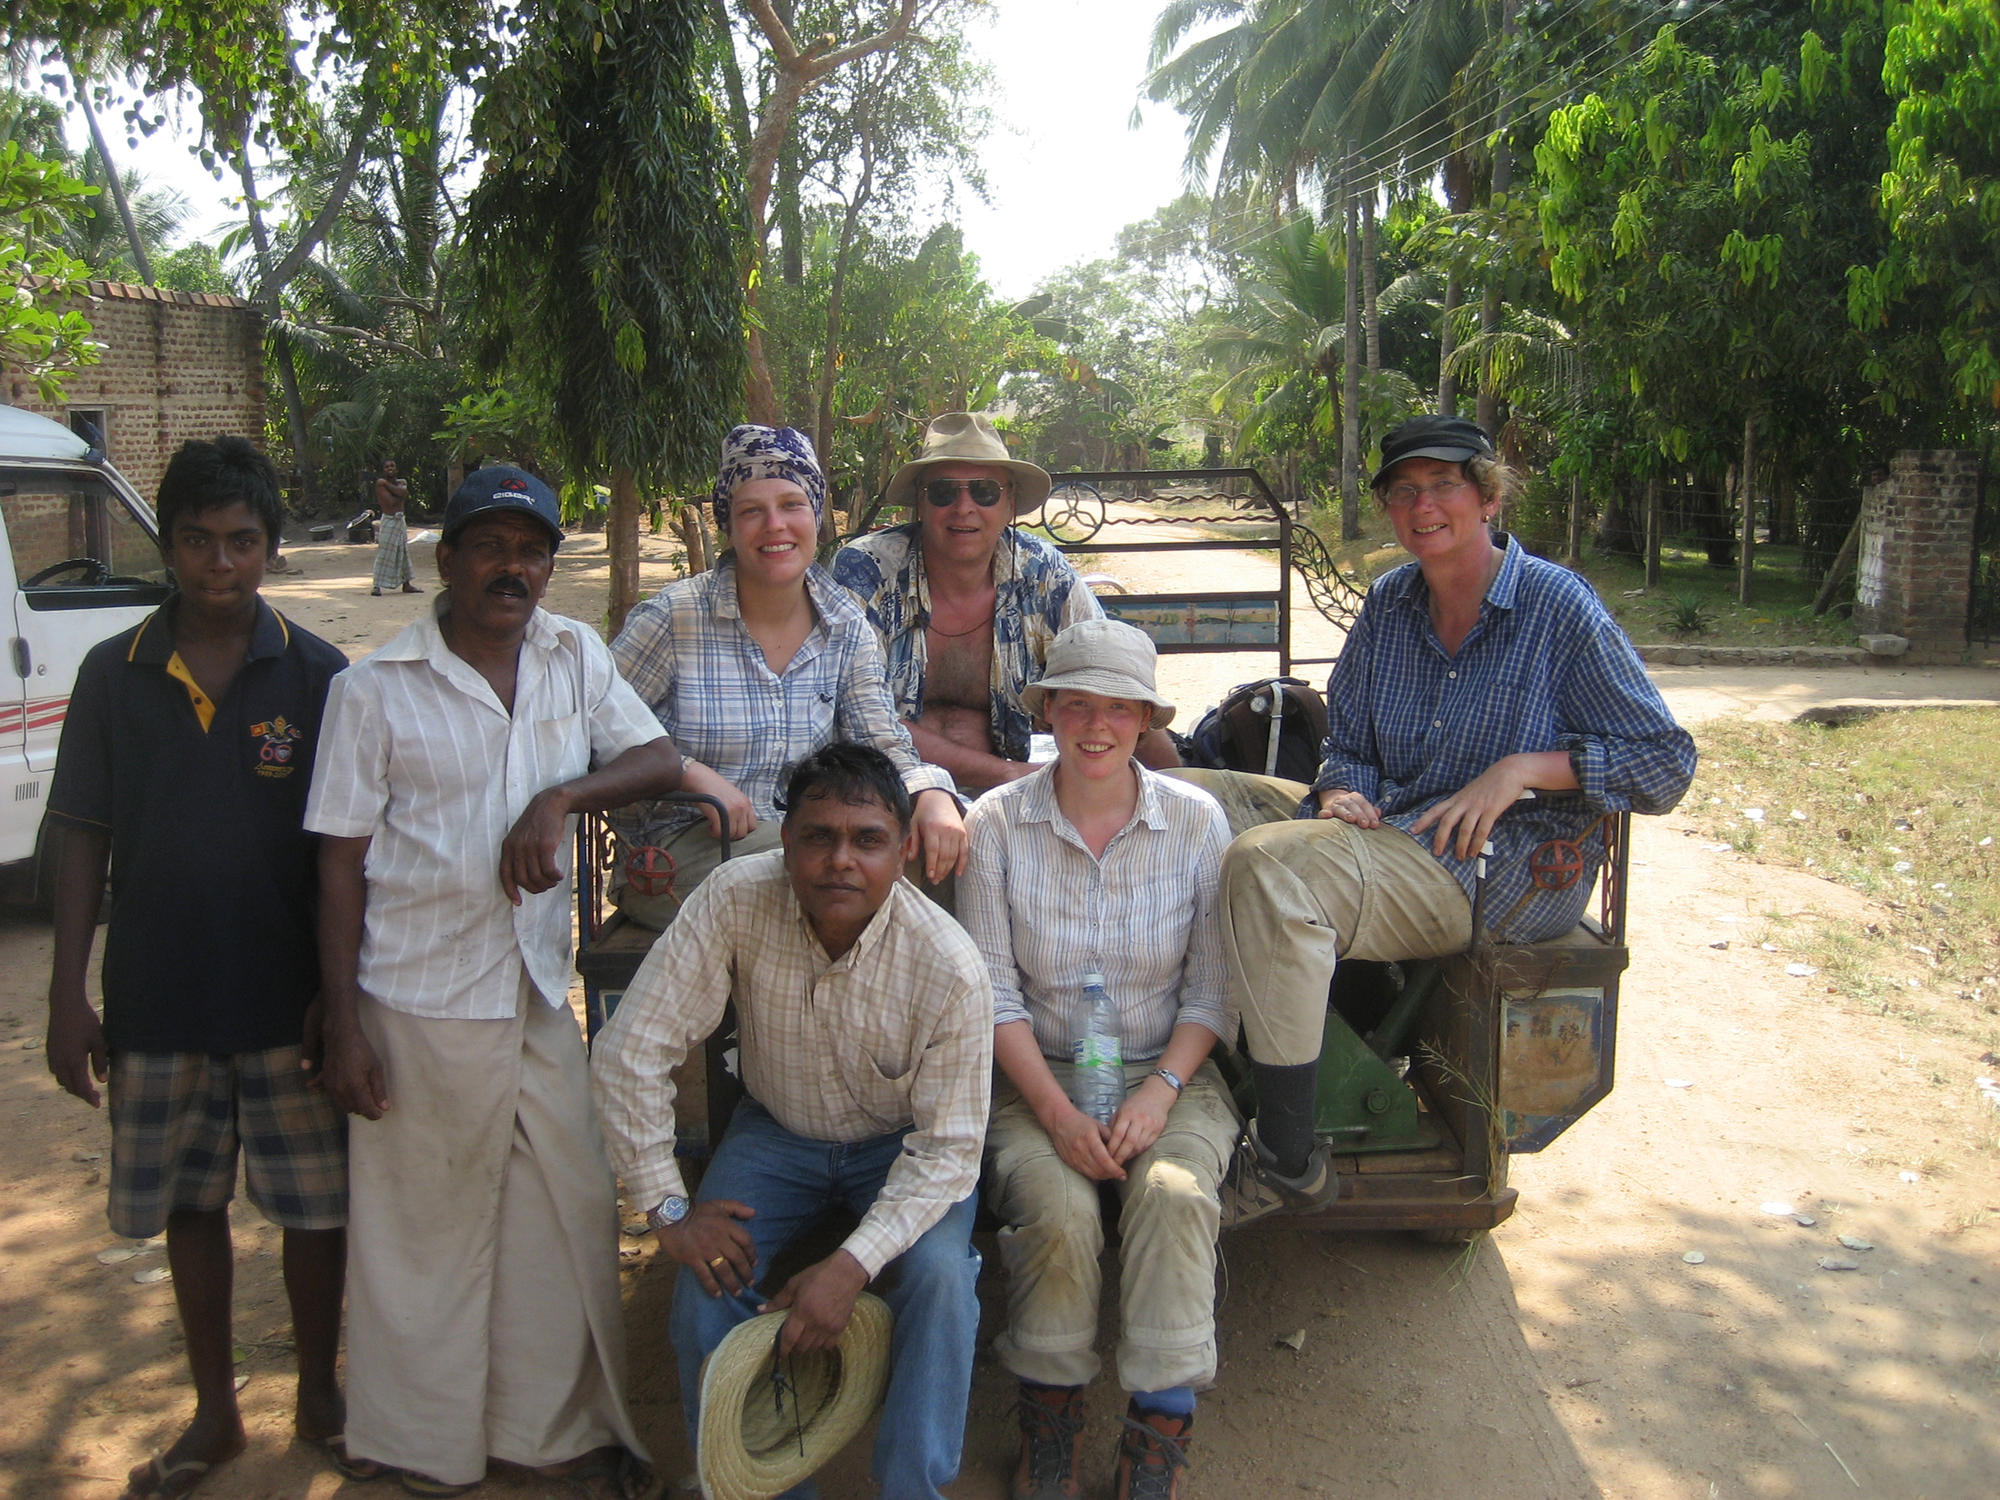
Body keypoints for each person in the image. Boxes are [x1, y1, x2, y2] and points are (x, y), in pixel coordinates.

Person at [1216, 416, 1697, 1223]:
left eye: (1443, 485)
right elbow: (1352, 741)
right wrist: (1339, 791)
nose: (1422, 505)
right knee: (1183, 801)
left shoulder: (1555, 607)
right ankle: (1191, 1049)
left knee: (1268, 866)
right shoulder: (1392, 600)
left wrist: (1522, 770)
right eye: (1404, 491)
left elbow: (1664, 763)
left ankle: (1286, 1155)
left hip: (1492, 865)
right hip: (1387, 832)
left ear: (1487, 495)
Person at [306, 465, 682, 1498]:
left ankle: (543, 1435)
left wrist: (559, 797)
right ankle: (418, 1448)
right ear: (446, 560)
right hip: (417, 998)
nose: (511, 569)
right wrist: (342, 1026)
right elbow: (336, 862)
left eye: (530, 552)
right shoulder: (373, 690)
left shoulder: (570, 654)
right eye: (490, 547)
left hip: (530, 987)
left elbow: (652, 757)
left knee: (561, 1210)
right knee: (422, 1236)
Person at [43, 436, 350, 1500]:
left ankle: (320, 1391)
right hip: (156, 998)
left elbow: (343, 857)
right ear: (167, 545)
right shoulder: (112, 674)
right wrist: (65, 993)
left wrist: (338, 999)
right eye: (197, 542)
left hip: (288, 1003)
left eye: (242, 542)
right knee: (191, 1206)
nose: (220, 564)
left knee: (316, 1209)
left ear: (270, 547)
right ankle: (216, 1410)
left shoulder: (317, 674)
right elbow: (80, 833)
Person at [593, 744, 992, 1500]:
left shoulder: (949, 965)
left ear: (905, 851)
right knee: (705, 1287)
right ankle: (760, 1485)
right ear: (785, 841)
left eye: (868, 840)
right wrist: (669, 1208)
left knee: (941, 1281)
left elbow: (946, 1152)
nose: (841, 861)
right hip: (778, 1134)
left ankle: (912, 1488)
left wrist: (849, 1267)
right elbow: (628, 1052)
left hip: (900, 1151)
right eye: (819, 837)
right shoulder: (732, 898)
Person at [961, 619, 1237, 1500]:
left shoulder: (1196, 821)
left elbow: (1213, 991)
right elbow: (993, 995)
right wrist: (1053, 1112)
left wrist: (1159, 1092)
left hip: (1171, 1067)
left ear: (1146, 720)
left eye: (1118, 708)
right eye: (1076, 703)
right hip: (1033, 1073)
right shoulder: (996, 824)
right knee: (1056, 1208)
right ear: (1046, 711)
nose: (1096, 726)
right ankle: (1052, 1428)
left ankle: (1157, 1432)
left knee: (1175, 1196)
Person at [608, 424, 963, 927]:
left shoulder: (844, 625)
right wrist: (685, 770)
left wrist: (930, 794)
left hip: (809, 837)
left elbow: (881, 740)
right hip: (675, 851)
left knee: (946, 851)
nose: (775, 525)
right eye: (752, 510)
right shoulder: (673, 619)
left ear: (816, 516)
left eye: (792, 505)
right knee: (823, 879)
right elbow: (596, 726)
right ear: (728, 527)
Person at [831, 410, 1179, 795]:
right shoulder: (870, 570)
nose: (964, 508)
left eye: (984, 492)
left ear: (1010, 504)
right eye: (944, 492)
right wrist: (1011, 775)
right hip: (888, 791)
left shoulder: (1043, 572)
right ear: (920, 503)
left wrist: (1180, 791)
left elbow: (1114, 681)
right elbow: (858, 716)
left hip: (1015, 795)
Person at [369, 458, 420, 597]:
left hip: (400, 520)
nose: (390, 468)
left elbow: (403, 494)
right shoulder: (380, 484)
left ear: (396, 469)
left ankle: (406, 584)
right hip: (389, 520)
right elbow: (391, 503)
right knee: (384, 553)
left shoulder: (397, 482)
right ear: (383, 470)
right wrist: (400, 493)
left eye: (392, 466)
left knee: (403, 552)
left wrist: (393, 488)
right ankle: (376, 586)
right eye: (387, 467)